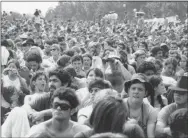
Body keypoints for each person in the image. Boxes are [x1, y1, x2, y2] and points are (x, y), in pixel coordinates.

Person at [26, 87, 90, 138]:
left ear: (72, 111)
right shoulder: (39, 131)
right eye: (56, 105)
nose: (58, 108)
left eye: (64, 106)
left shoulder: (81, 131)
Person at [123, 73, 157, 138]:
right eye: (133, 88)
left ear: (145, 93)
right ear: (128, 91)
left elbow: (150, 135)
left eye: (140, 89)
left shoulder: (151, 111)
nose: (136, 92)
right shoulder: (119, 106)